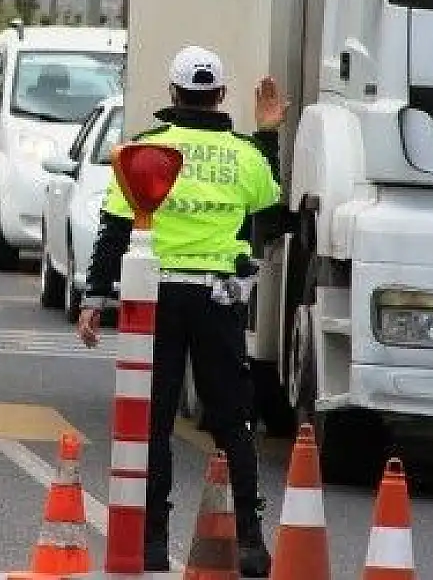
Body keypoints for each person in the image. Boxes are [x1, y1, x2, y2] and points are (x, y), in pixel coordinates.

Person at [76, 45, 288, 577]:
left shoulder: (145, 149)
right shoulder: (243, 154)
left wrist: (95, 298)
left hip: (155, 298)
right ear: (219, 95)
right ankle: (251, 544)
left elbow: (114, 228)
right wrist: (267, 133)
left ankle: (150, 543)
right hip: (218, 299)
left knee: (154, 420)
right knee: (232, 422)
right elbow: (271, 206)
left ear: (172, 94)